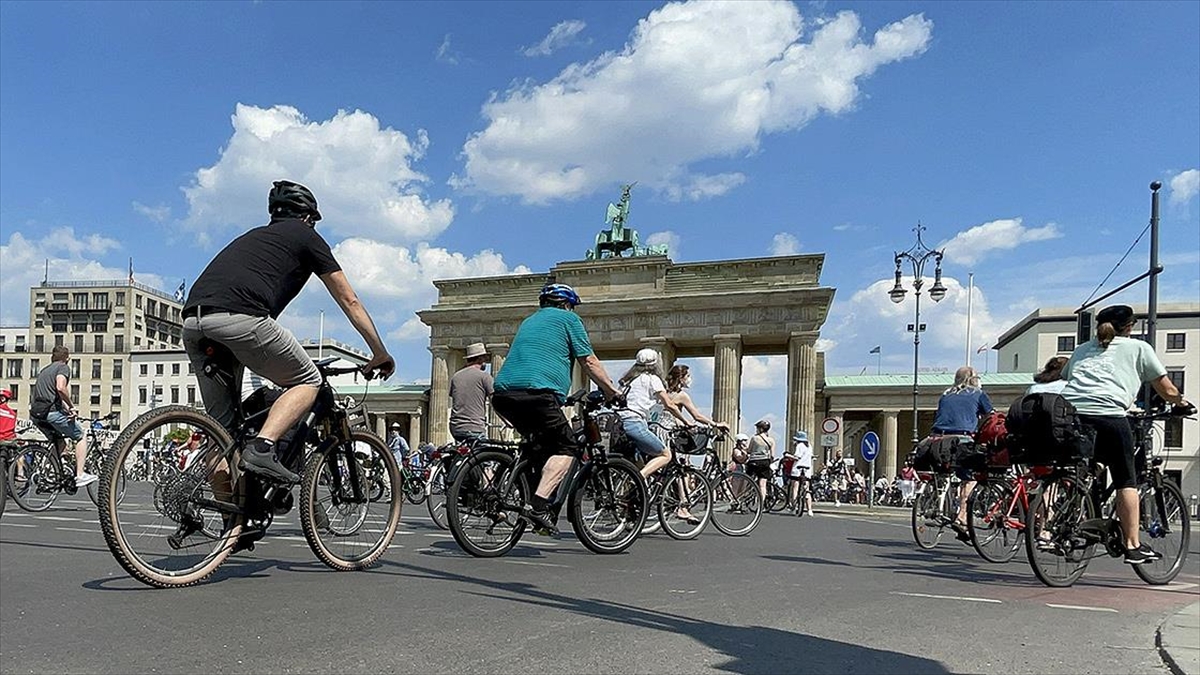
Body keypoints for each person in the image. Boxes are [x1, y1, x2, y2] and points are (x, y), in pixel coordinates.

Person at [182, 180, 394, 484]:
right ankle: (264, 445)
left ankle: (234, 527)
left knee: (223, 435)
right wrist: (379, 352)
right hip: (240, 319)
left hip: (193, 323)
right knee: (308, 379)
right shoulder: (306, 237)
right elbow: (350, 300)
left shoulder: (253, 237)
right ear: (308, 217)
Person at [1061, 304, 1189, 564]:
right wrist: (1181, 404)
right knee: (1125, 480)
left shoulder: (1081, 350)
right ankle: (1132, 544)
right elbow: (1166, 389)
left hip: (1071, 416)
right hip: (1109, 415)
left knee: (1087, 465)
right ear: (1130, 327)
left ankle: (1077, 514)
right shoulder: (1139, 348)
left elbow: (1067, 377)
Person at [491, 283, 623, 534]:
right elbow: (589, 361)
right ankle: (538, 507)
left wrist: (562, 397)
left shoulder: (528, 321)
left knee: (538, 447)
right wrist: (611, 391)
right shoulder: (569, 319)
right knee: (568, 446)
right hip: (538, 395)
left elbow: (536, 358)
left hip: (503, 395)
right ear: (566, 304)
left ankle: (524, 498)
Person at [617, 349, 698, 523]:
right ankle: (636, 480)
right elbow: (669, 404)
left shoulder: (627, 380)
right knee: (665, 455)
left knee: (638, 463)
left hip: (618, 424)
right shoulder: (652, 379)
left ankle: (630, 501)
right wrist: (686, 421)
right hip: (634, 423)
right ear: (655, 364)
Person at [931, 366, 994, 541]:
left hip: (938, 439)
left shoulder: (945, 394)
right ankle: (962, 515)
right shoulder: (977, 393)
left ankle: (936, 501)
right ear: (973, 378)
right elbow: (991, 417)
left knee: (945, 471)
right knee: (971, 477)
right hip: (962, 439)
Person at [29, 346, 96, 487]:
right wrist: (71, 406)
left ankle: (49, 472)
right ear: (67, 358)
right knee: (80, 436)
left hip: (37, 414)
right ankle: (80, 474)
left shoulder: (44, 371)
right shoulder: (62, 367)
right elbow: (60, 387)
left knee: (59, 442)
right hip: (51, 413)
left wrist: (65, 410)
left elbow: (50, 396)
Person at [449, 342, 494, 443]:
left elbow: (456, 397)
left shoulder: (456, 376)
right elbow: (495, 401)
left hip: (455, 428)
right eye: (485, 358)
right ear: (480, 359)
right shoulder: (484, 376)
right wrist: (508, 420)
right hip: (474, 427)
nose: (486, 361)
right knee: (487, 454)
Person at [744, 419, 775, 498]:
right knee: (762, 484)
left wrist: (744, 449)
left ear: (760, 429)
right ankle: (761, 503)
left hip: (753, 461)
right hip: (765, 462)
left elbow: (749, 451)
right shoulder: (771, 440)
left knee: (747, 480)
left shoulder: (754, 438)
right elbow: (772, 455)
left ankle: (744, 496)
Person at [787, 431, 814, 517]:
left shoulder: (799, 446)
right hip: (807, 470)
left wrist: (788, 455)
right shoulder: (809, 446)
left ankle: (793, 507)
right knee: (807, 489)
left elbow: (797, 457)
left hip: (798, 469)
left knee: (795, 487)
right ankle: (809, 510)